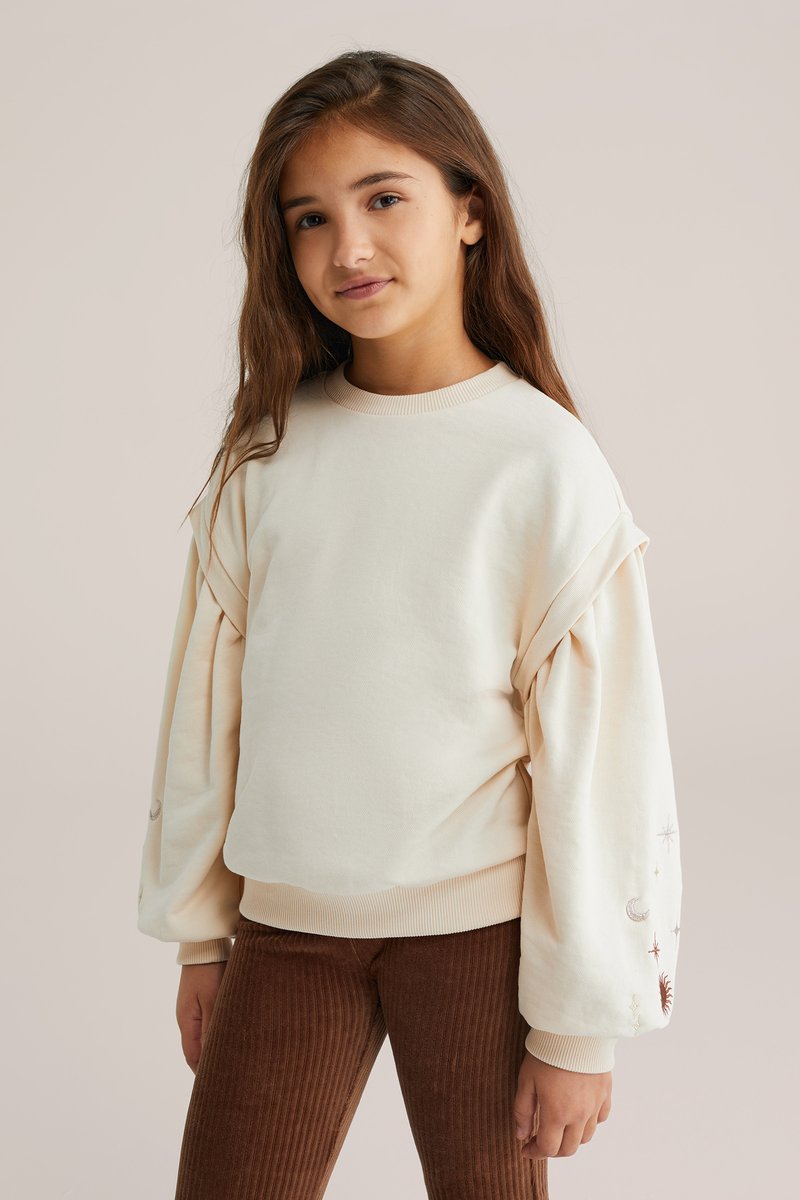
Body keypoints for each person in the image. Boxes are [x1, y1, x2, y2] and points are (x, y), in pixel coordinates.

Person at [137, 47, 682, 1200]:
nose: (348, 248)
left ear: (468, 210)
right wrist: (201, 935)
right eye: (309, 218)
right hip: (285, 937)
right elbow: (207, 713)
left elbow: (601, 761)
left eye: (383, 199)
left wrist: (576, 1027)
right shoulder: (265, 459)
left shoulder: (543, 465)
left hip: (478, 941)